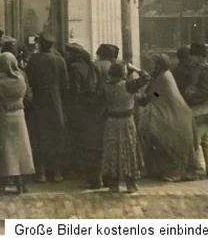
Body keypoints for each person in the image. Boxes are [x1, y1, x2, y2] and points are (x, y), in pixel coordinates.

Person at [0, 53, 35, 195]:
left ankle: (0, 185)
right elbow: (28, 97)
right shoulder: (21, 80)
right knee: (20, 152)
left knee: (1, 153)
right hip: (19, 117)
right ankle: (21, 184)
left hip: (1, 117)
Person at [137, 53, 195, 182]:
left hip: (172, 113)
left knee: (155, 135)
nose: (151, 65)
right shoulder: (159, 75)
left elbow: (160, 94)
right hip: (165, 110)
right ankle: (154, 169)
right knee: (147, 134)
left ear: (158, 65)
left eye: (153, 63)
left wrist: (150, 95)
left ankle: (170, 171)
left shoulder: (164, 77)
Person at [25, 31, 68, 183]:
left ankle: (41, 171)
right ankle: (56, 172)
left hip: (38, 100)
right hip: (56, 101)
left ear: (41, 44)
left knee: (39, 135)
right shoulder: (60, 60)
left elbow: (28, 80)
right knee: (56, 135)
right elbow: (65, 85)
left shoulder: (34, 60)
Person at [101, 62, 150, 193]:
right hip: (127, 121)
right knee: (129, 150)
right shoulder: (129, 85)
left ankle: (113, 184)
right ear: (123, 73)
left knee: (112, 151)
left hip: (111, 121)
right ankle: (130, 184)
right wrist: (134, 68)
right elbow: (146, 77)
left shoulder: (105, 86)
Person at [65, 43, 105, 189]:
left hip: (80, 106)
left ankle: (79, 170)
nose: (67, 56)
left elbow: (75, 89)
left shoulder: (74, 68)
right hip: (92, 107)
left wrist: (71, 105)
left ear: (74, 55)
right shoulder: (91, 65)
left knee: (79, 139)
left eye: (68, 53)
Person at [180, 42, 208, 181]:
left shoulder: (203, 70)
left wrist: (191, 95)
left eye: (193, 55)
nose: (191, 57)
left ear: (200, 56)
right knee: (207, 139)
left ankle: (199, 170)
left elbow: (206, 91)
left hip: (202, 111)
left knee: (194, 140)